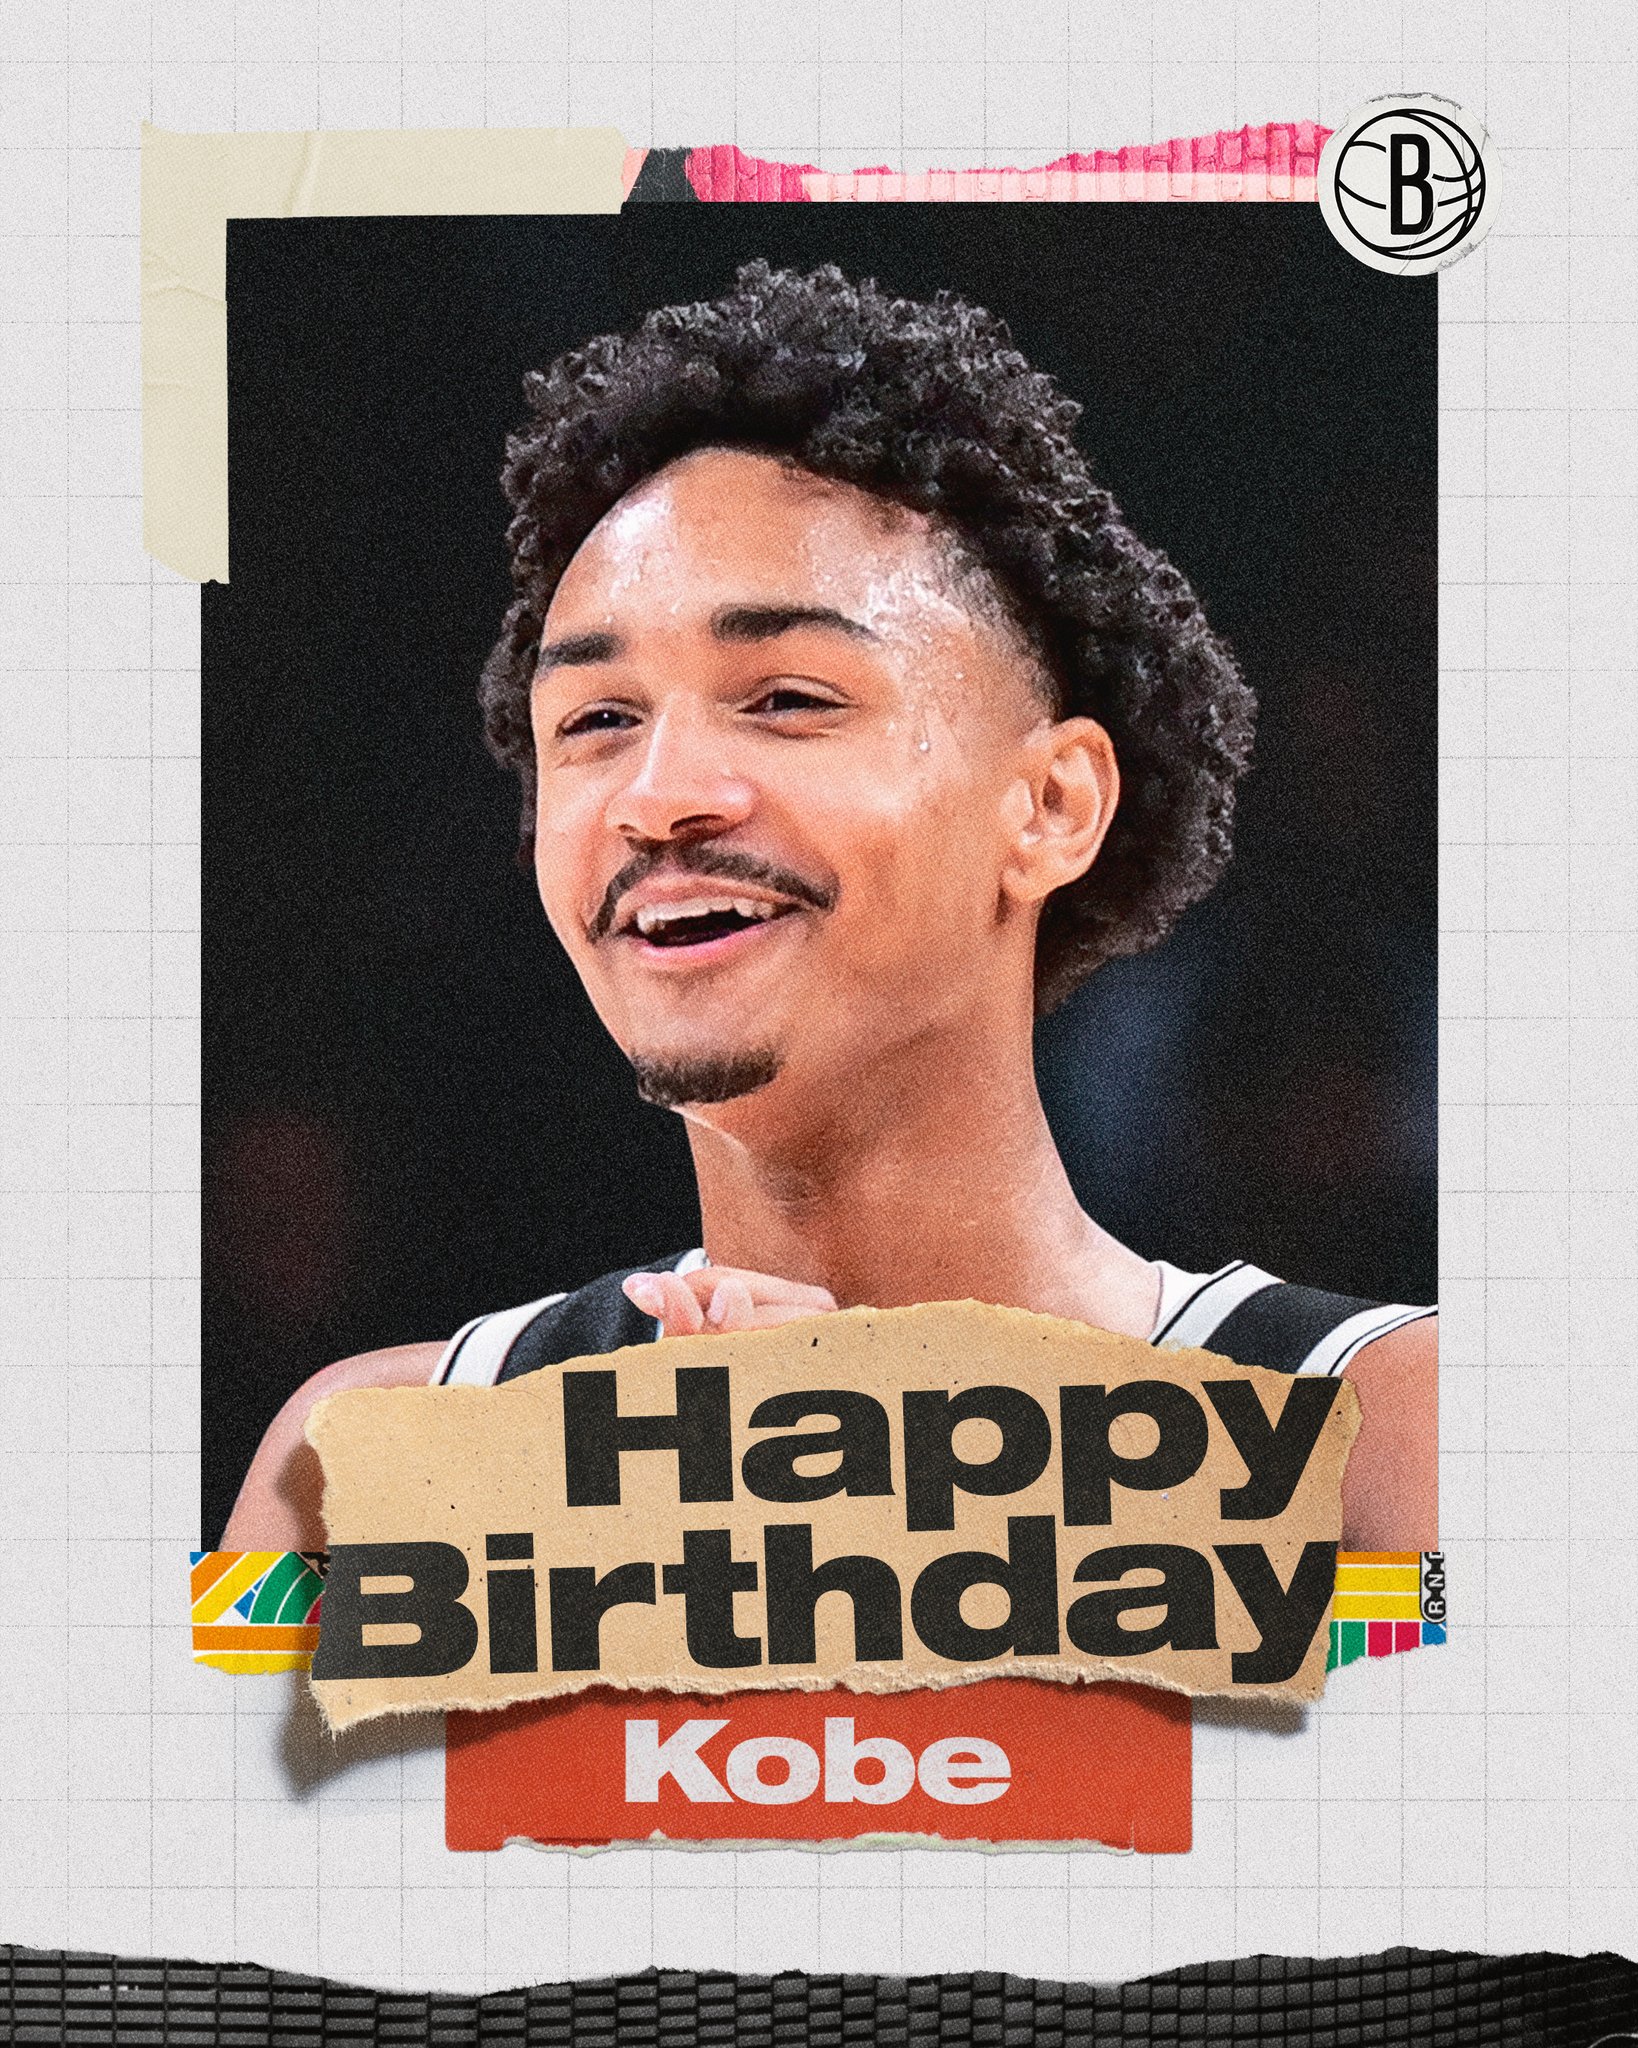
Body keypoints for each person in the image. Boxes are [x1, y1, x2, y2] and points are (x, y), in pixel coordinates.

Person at [224, 262, 1435, 1556]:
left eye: (787, 699)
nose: (658, 796)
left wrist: (888, 1536)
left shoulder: (1380, 1431)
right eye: (597, 719)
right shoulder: (361, 1471)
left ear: (1048, 805)